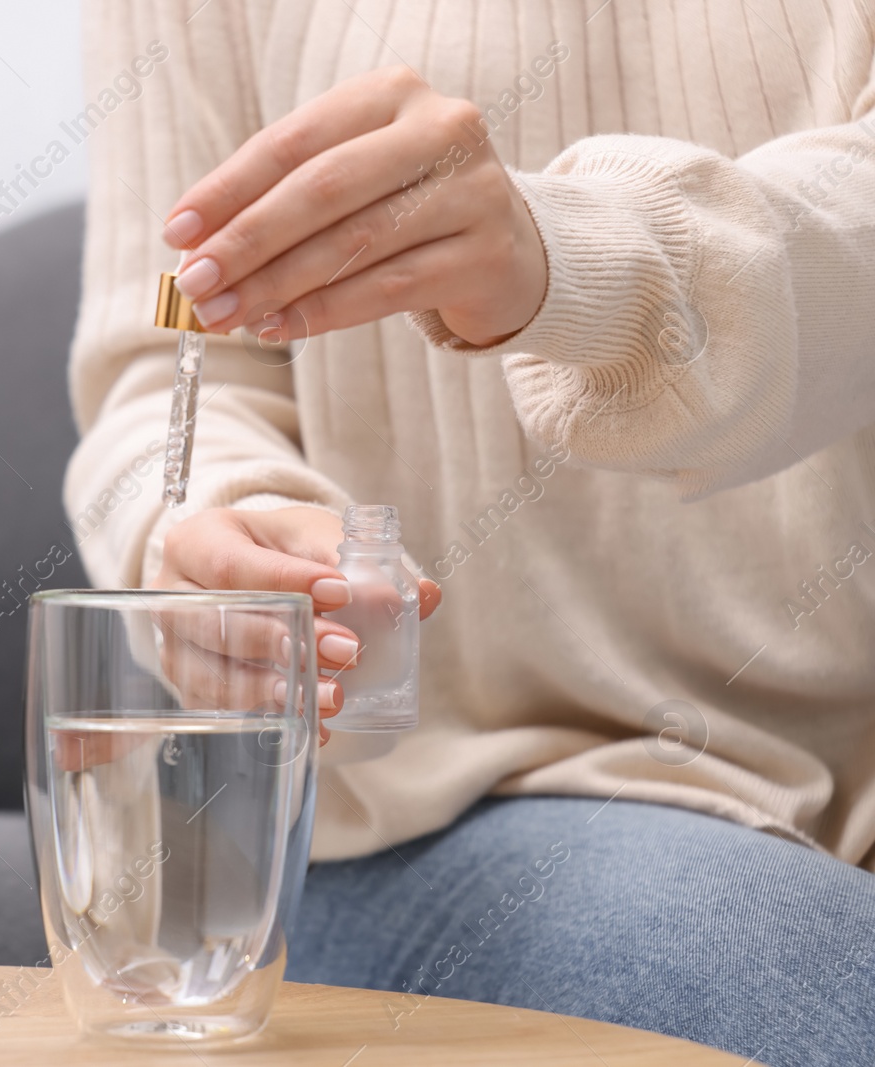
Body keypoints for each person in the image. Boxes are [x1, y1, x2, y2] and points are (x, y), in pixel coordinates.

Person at [64, 2, 875, 1064]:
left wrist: (572, 255)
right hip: (452, 795)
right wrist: (218, 534)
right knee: (756, 959)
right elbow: (164, 364)